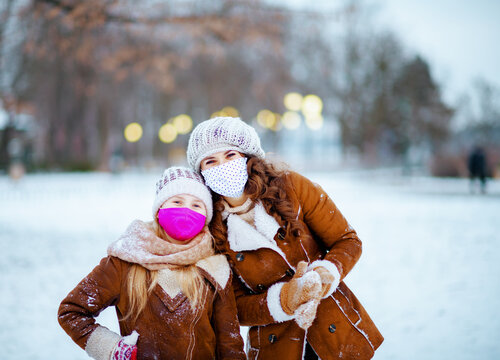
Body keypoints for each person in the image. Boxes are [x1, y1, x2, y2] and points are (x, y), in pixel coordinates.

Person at [187, 117, 384, 360]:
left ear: (248, 157)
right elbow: (232, 307)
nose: (222, 165)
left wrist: (323, 275)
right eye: (210, 161)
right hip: (276, 348)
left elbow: (347, 240)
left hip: (337, 333)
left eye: (230, 155)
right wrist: (284, 301)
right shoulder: (209, 230)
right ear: (201, 173)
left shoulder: (292, 187)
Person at [58, 167, 246, 360]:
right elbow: (71, 311)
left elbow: (229, 343)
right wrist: (111, 348)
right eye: (177, 201)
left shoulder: (215, 268)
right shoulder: (127, 259)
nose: (186, 211)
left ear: (206, 217)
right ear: (159, 210)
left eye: (196, 205)